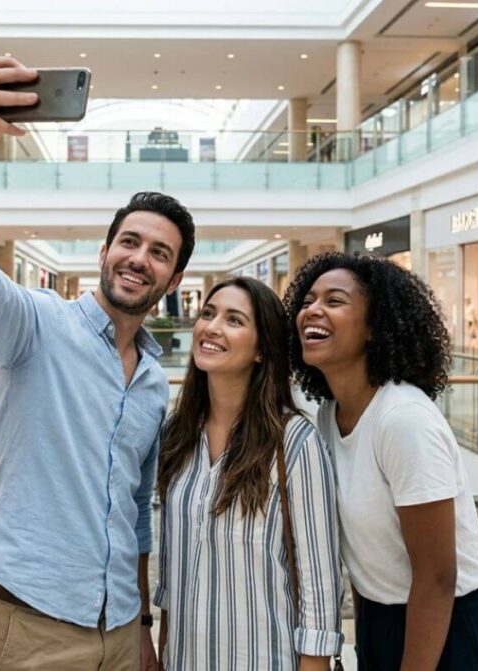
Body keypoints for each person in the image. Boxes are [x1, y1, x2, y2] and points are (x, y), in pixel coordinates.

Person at [0, 56, 196, 671]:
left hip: (118, 627)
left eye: (159, 253)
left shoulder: (155, 382)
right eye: (130, 242)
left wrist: (138, 623)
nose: (140, 259)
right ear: (104, 251)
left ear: (175, 277)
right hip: (32, 623)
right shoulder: (37, 326)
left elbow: (134, 513)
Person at [285, 253, 478, 671]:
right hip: (386, 624)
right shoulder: (329, 415)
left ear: (376, 327)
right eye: (308, 300)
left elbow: (436, 578)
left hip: (456, 632)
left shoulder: (402, 419)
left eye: (334, 300)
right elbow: (366, 563)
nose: (313, 310)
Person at [155, 277, 344, 671]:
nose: (212, 327)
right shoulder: (178, 436)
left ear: (261, 349)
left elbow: (319, 587)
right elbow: (174, 577)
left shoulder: (295, 442)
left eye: (234, 320)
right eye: (208, 314)